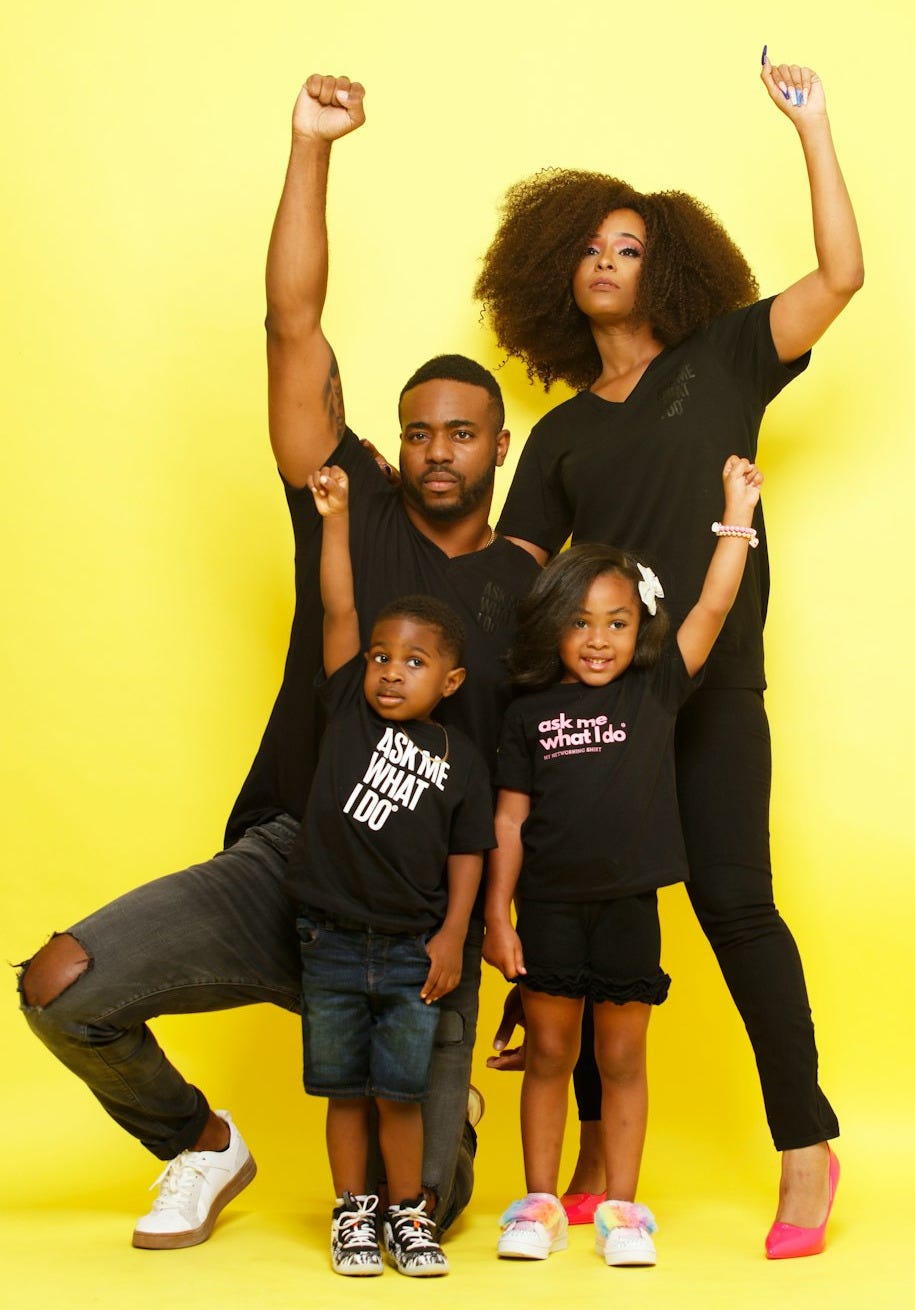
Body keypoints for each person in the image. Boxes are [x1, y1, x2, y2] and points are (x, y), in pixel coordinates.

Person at [17, 72, 537, 1250]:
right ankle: (201, 1143)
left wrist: (520, 946)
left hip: (421, 914)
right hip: (292, 863)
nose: (437, 450)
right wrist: (311, 145)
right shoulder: (352, 503)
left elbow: (532, 778)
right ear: (394, 441)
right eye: (419, 430)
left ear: (500, 447)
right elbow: (293, 327)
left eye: (463, 433)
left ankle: (442, 1108)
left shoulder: (528, 582)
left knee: (424, 1207)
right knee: (59, 984)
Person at [475, 52, 861, 1259]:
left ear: (666, 267)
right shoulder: (559, 432)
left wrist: (812, 125)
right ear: (557, 271)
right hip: (602, 704)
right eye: (589, 246)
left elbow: (841, 277)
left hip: (711, 679)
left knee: (735, 902)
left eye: (630, 246)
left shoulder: (726, 359)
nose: (606, 260)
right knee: (590, 901)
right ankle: (598, 1152)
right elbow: (508, 578)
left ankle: (805, 1144)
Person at [485, 457, 763, 1267]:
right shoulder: (528, 712)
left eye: (615, 622)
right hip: (546, 909)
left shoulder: (655, 690)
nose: (598, 639)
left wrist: (736, 514)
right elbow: (508, 819)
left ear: (640, 626)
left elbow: (714, 604)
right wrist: (498, 917)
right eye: (579, 623)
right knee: (548, 1055)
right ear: (553, 627)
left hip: (628, 907)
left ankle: (622, 1211)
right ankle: (538, 1205)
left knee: (620, 1059)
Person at [294, 460, 494, 1277]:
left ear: (450, 681)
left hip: (414, 948)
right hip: (331, 941)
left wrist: (452, 936)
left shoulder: (461, 758)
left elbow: (469, 854)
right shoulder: (347, 705)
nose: (388, 671)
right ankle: (353, 1213)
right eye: (381, 656)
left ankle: (407, 1214)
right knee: (345, 1090)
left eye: (413, 662)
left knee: (399, 1093)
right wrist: (335, 519)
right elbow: (339, 606)